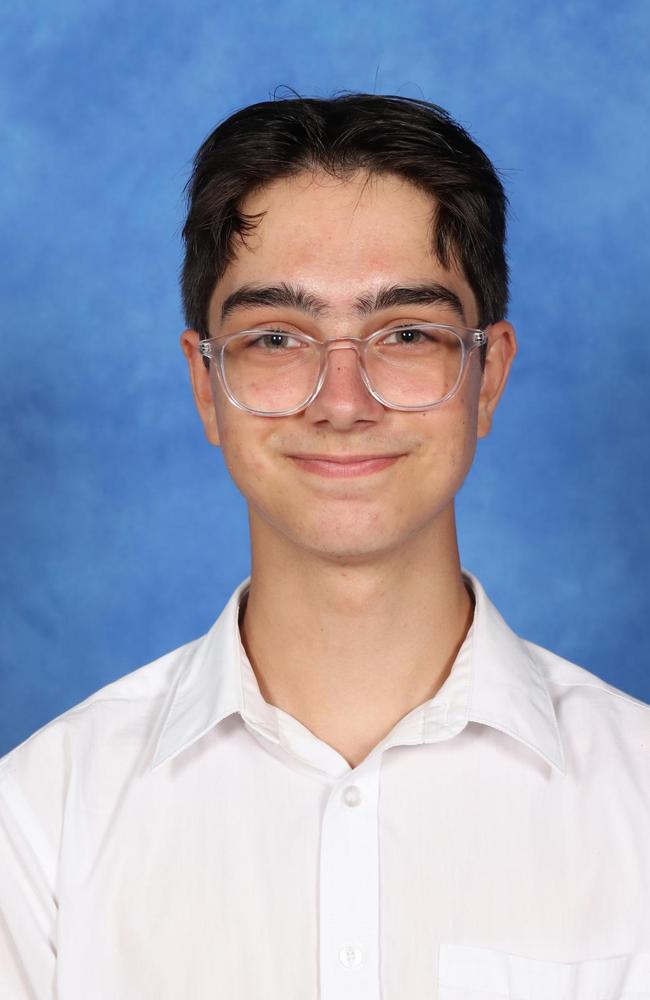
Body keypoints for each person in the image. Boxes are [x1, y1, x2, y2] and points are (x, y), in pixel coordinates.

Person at [1, 93, 648, 1000]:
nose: (342, 400)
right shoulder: (39, 823)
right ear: (205, 381)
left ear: (487, 376)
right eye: (275, 337)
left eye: (408, 333)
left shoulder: (640, 805)